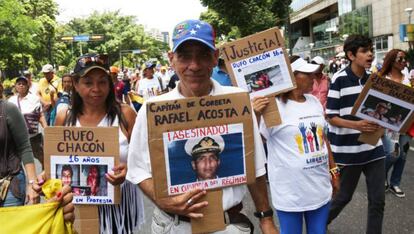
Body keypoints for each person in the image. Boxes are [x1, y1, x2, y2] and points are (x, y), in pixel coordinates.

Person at [127, 19, 278, 234]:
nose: (194, 65)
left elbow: (255, 165)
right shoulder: (152, 109)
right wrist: (163, 200)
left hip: (230, 226)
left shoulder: (238, 102)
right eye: (185, 56)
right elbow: (137, 168)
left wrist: (266, 218)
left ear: (215, 58)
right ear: (171, 59)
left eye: (203, 55)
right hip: (174, 226)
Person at [54, 53, 145, 233]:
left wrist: (129, 171)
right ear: (75, 84)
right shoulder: (64, 117)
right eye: (88, 82)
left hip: (119, 208)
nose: (96, 88)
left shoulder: (125, 114)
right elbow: (55, 161)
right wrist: (42, 180)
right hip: (78, 207)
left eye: (102, 81)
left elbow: (144, 159)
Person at [253, 56, 340, 234]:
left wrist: (333, 170)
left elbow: (323, 139)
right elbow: (254, 140)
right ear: (291, 77)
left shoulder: (314, 102)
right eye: (307, 74)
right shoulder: (272, 107)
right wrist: (256, 115)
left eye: (314, 74)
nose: (313, 78)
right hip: (290, 194)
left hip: (319, 188)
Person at [326, 35, 385, 234]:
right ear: (351, 55)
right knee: (343, 197)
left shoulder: (373, 79)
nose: (369, 54)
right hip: (347, 150)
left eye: (371, 50)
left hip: (373, 148)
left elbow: (382, 110)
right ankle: (319, 224)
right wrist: (357, 125)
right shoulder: (339, 79)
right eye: (363, 51)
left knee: (378, 200)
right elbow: (330, 116)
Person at [379, 49, 413, 198]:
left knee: (403, 155)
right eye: (400, 59)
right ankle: (381, 179)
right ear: (391, 60)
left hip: (407, 123)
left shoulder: (408, 80)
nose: (404, 62)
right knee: (393, 153)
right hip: (387, 124)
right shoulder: (382, 78)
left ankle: (395, 183)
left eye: (405, 59)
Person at [0, 99, 38, 207]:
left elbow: (25, 147)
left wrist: (32, 184)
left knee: (10, 224)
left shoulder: (8, 109)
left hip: (9, 186)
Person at [8, 76, 47, 168]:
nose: (21, 86)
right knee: (16, 160)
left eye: (23, 84)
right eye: (19, 84)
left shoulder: (34, 98)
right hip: (16, 137)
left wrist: (46, 128)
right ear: (16, 86)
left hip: (33, 136)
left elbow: (40, 115)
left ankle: (45, 175)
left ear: (27, 86)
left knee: (41, 157)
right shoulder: (11, 100)